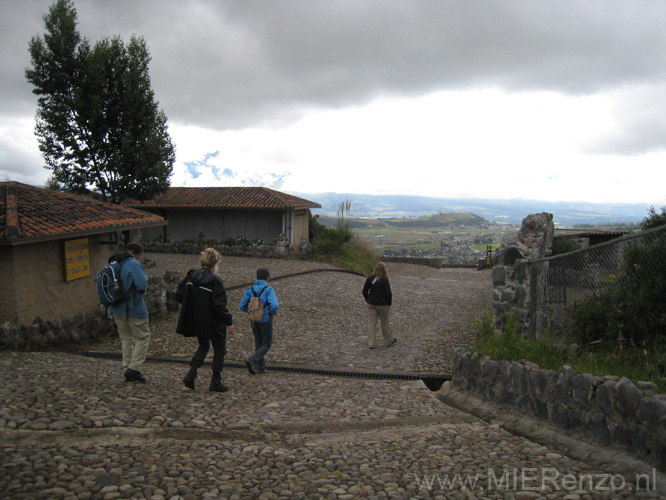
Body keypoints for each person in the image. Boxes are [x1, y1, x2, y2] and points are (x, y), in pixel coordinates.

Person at [176, 248, 235, 392]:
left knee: (203, 346)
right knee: (219, 349)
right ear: (214, 264)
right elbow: (219, 305)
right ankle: (215, 381)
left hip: (197, 320)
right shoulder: (215, 281)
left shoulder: (191, 277)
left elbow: (179, 294)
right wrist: (229, 321)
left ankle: (192, 374)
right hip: (214, 322)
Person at [108, 242, 151, 383]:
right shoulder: (133, 264)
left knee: (126, 338)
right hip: (133, 308)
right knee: (143, 337)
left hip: (116, 308)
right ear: (137, 254)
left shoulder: (115, 262)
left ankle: (127, 367)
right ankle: (134, 368)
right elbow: (142, 285)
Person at [239, 268, 279, 375]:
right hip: (265, 319)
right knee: (266, 344)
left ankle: (260, 367)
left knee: (258, 342)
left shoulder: (250, 289)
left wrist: (250, 311)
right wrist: (272, 312)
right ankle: (252, 359)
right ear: (267, 278)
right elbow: (274, 305)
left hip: (254, 320)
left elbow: (242, 305)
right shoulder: (268, 290)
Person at [362, 262, 396, 349]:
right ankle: (388, 340)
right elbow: (388, 293)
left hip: (371, 304)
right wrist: (389, 303)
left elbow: (364, 291)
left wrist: (368, 299)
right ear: (384, 270)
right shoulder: (385, 280)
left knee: (372, 322)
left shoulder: (370, 278)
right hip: (382, 305)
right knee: (384, 322)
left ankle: (371, 343)